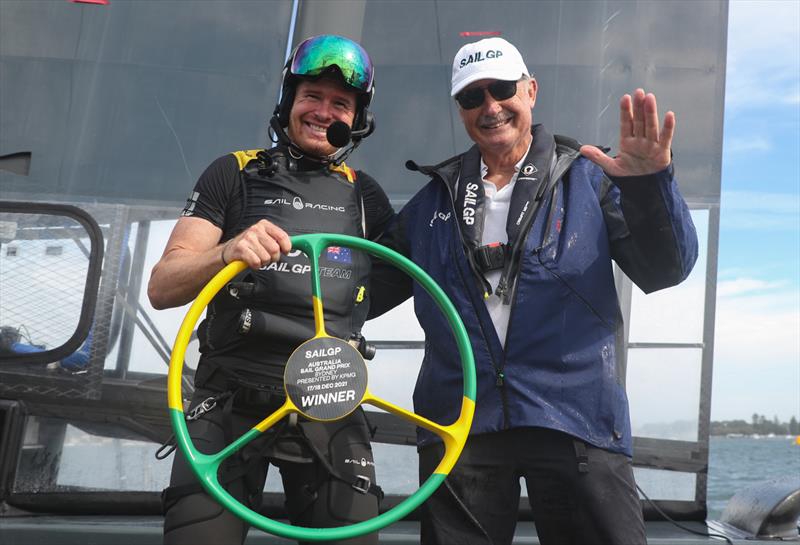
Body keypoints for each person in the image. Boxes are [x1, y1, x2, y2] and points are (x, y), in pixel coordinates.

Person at [371, 37, 699, 544]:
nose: (490, 107)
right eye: (471, 97)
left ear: (531, 90)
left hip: (577, 421)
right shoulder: (434, 198)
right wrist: (268, 264)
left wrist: (651, 186)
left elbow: (666, 269)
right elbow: (361, 290)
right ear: (460, 110)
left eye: (502, 89)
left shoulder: (590, 177)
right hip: (462, 425)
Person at [148, 35, 394, 545]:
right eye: (312, 96)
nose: (323, 111)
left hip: (330, 400)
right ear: (288, 102)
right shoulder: (233, 173)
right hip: (228, 404)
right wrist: (228, 251)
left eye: (340, 103)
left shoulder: (367, 196)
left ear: (357, 118)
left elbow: (407, 279)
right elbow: (162, 286)